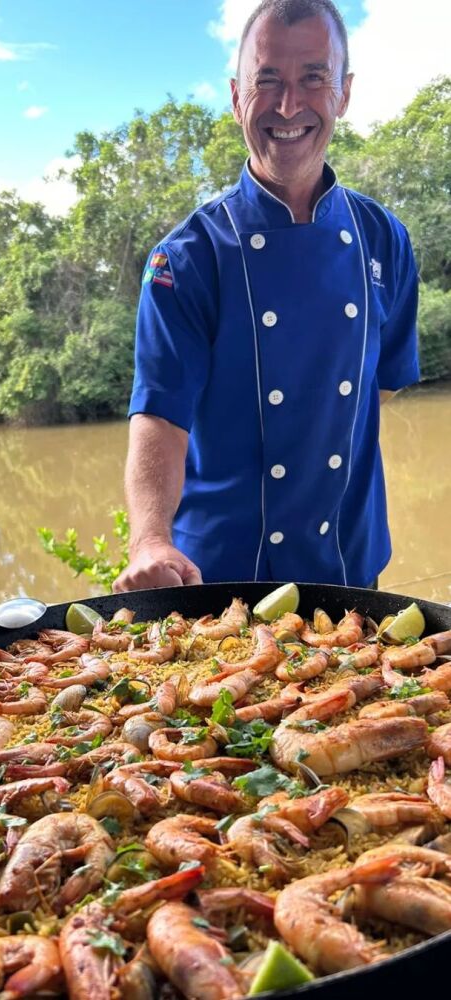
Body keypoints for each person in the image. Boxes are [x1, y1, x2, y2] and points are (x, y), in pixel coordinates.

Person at [113, 0, 419, 594]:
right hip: (219, 577)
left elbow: (377, 386)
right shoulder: (185, 258)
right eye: (268, 80)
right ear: (235, 97)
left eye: (313, 78)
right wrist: (150, 538)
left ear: (344, 93)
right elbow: (159, 414)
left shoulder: (385, 239)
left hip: (350, 565)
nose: (289, 105)